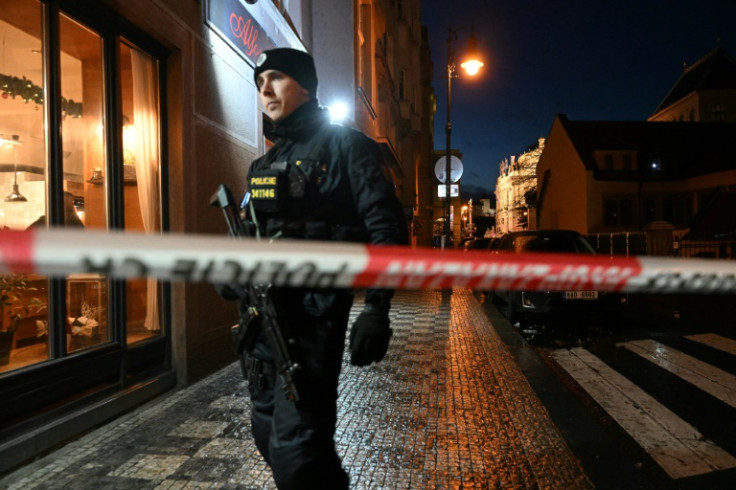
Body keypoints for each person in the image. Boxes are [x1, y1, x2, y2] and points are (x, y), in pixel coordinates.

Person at [222, 48, 408, 489]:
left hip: (312, 321)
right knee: (269, 436)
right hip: (260, 324)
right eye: (259, 81)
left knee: (297, 453)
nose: (265, 89)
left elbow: (386, 229)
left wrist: (377, 308)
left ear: (306, 86)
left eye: (277, 78)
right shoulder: (263, 165)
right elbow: (250, 236)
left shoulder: (346, 147)